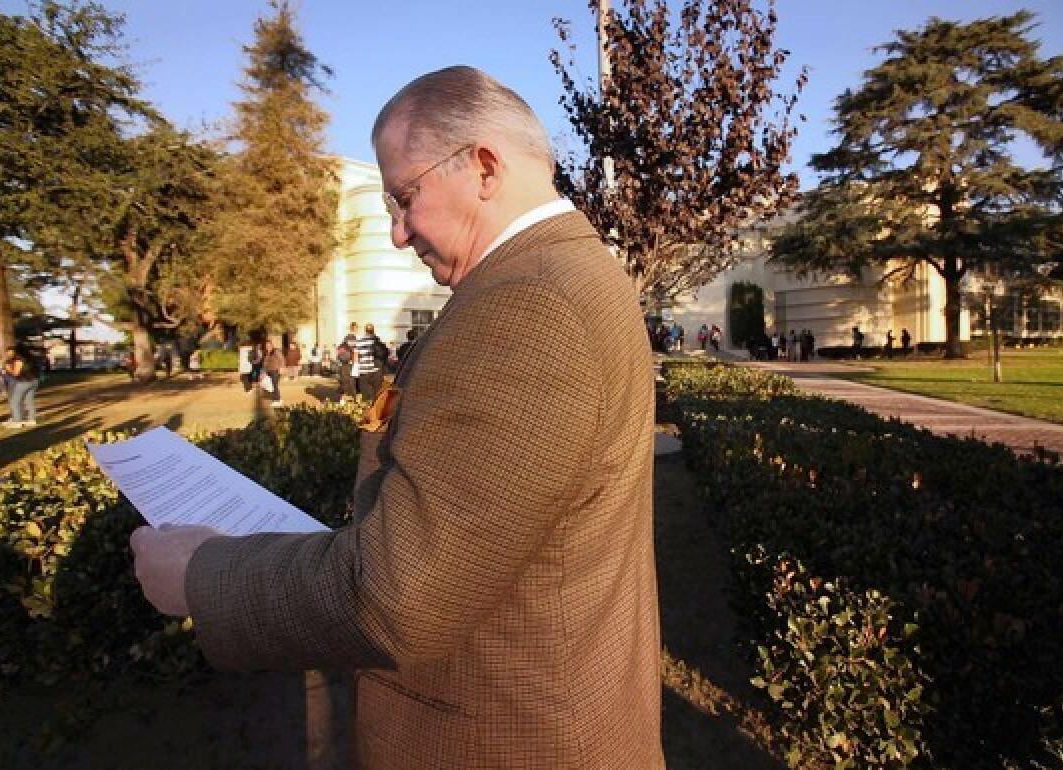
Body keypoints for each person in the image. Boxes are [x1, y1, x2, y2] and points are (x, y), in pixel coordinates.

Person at [129, 66, 663, 770]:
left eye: (405, 197)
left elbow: (400, 596)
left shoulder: (530, 304)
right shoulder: (568, 273)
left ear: (483, 167)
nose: (396, 233)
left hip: (505, 740)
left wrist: (202, 573)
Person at [4, 343, 39, 428]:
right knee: (29, 401)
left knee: (15, 401)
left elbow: (16, 373)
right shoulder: (31, 358)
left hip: (24, 382)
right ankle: (32, 420)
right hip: (34, 381)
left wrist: (8, 369)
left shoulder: (19, 360)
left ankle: (17, 421)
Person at [352, 323, 386, 401]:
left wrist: (355, 371)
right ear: (373, 330)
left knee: (365, 395)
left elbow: (355, 357)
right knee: (377, 394)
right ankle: (376, 411)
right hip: (376, 370)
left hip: (364, 371)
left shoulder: (359, 341)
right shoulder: (376, 340)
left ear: (365, 330)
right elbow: (383, 354)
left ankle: (367, 410)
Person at [262, 339, 285, 406]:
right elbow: (265, 363)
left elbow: (282, 359)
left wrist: (282, 367)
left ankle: (277, 400)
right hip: (269, 371)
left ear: (271, 345)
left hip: (275, 370)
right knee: (271, 385)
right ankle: (277, 399)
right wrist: (264, 372)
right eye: (266, 345)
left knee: (274, 385)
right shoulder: (266, 353)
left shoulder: (276, 351)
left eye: (269, 345)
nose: (267, 346)